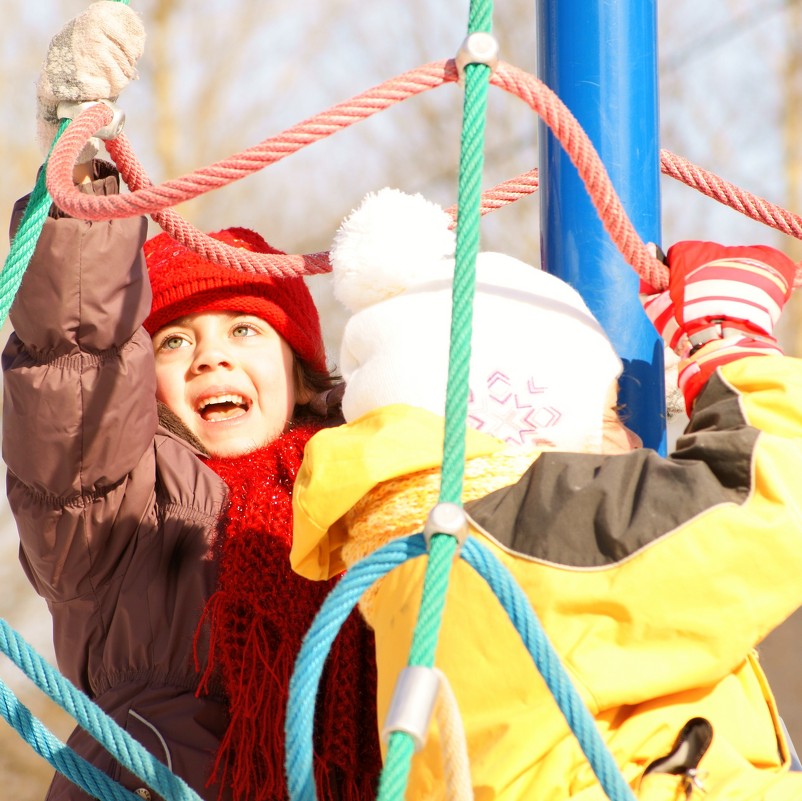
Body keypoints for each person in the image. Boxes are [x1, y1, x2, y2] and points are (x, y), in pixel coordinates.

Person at [290, 187, 802, 800]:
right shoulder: (536, 528)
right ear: (523, 416)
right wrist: (724, 343)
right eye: (608, 410)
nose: (635, 432)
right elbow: (770, 499)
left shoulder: (420, 551)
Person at [3, 4, 380, 801]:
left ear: (301, 372)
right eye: (174, 342)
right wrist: (80, 174)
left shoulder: (364, 481)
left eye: (246, 329)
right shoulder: (123, 501)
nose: (212, 353)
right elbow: (76, 359)